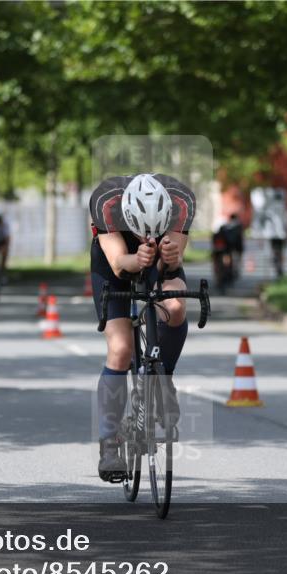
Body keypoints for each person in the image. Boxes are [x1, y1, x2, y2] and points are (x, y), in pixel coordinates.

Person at [89, 173, 195, 481]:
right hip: (114, 262)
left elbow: (173, 259)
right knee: (121, 349)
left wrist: (168, 257)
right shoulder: (105, 201)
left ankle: (162, 379)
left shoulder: (181, 200)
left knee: (175, 306)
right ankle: (109, 444)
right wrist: (138, 258)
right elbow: (119, 263)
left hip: (159, 259)